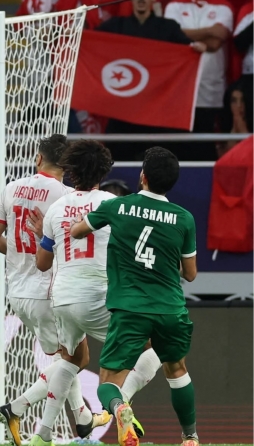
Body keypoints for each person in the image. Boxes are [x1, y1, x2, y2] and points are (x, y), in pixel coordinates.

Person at [27, 140, 160, 446]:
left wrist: (45, 235)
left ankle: (42, 435)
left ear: (70, 171)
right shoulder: (115, 205)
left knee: (73, 360)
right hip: (99, 297)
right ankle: (119, 405)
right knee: (156, 346)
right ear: (104, 171)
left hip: (62, 298)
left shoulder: (56, 209)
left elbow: (43, 264)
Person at [0, 135, 108, 445]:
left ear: (38, 158)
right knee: (75, 360)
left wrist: (19, 256)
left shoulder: (10, 189)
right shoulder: (66, 196)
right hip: (50, 290)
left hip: (17, 292)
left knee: (67, 358)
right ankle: (18, 409)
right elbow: (72, 246)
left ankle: (81, 418)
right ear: (67, 166)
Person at [70, 146, 198, 446]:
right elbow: (190, 274)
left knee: (108, 381)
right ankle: (190, 437)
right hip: (169, 309)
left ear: (143, 177)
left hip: (129, 308)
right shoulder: (184, 219)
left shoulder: (117, 206)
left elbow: (77, 231)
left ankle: (119, 408)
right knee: (177, 370)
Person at [98, 0, 206, 135]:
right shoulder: (115, 26)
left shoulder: (168, 27)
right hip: (123, 109)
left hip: (156, 109)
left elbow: (188, 49)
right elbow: (91, 41)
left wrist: (197, 48)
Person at [165, 0, 234, 133]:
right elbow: (171, 36)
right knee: (179, 141)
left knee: (206, 141)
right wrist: (210, 30)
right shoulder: (174, 5)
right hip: (180, 88)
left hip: (210, 89)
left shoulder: (224, 7)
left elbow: (215, 43)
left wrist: (183, 34)